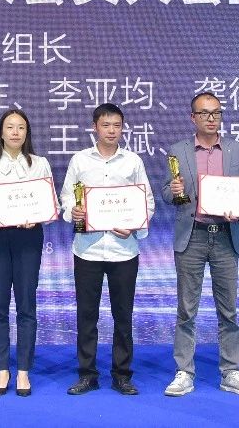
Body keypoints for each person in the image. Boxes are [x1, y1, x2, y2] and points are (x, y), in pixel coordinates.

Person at [161, 92, 239, 397]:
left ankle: (231, 371)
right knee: (186, 310)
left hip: (226, 236)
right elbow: (167, 194)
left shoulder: (236, 150)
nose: (211, 118)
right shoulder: (178, 150)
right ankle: (184, 371)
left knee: (228, 310)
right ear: (193, 118)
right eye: (204, 113)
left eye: (216, 112)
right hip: (192, 235)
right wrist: (174, 190)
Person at [63, 103, 156, 397]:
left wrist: (134, 225)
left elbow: (147, 201)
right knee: (86, 315)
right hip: (88, 250)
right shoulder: (80, 160)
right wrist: (73, 212)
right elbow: (67, 198)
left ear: (122, 128)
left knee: (123, 316)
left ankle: (122, 375)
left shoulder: (133, 161)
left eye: (117, 125)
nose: (112, 131)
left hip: (123, 250)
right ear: (95, 127)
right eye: (106, 125)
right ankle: (87, 374)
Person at [0, 109, 52, 397]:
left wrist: (38, 216)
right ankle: (2, 369)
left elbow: (50, 203)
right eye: (10, 127)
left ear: (27, 132)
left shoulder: (40, 164)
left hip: (28, 238)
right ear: (1, 132)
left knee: (26, 305)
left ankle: (24, 370)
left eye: (21, 127)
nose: (15, 132)